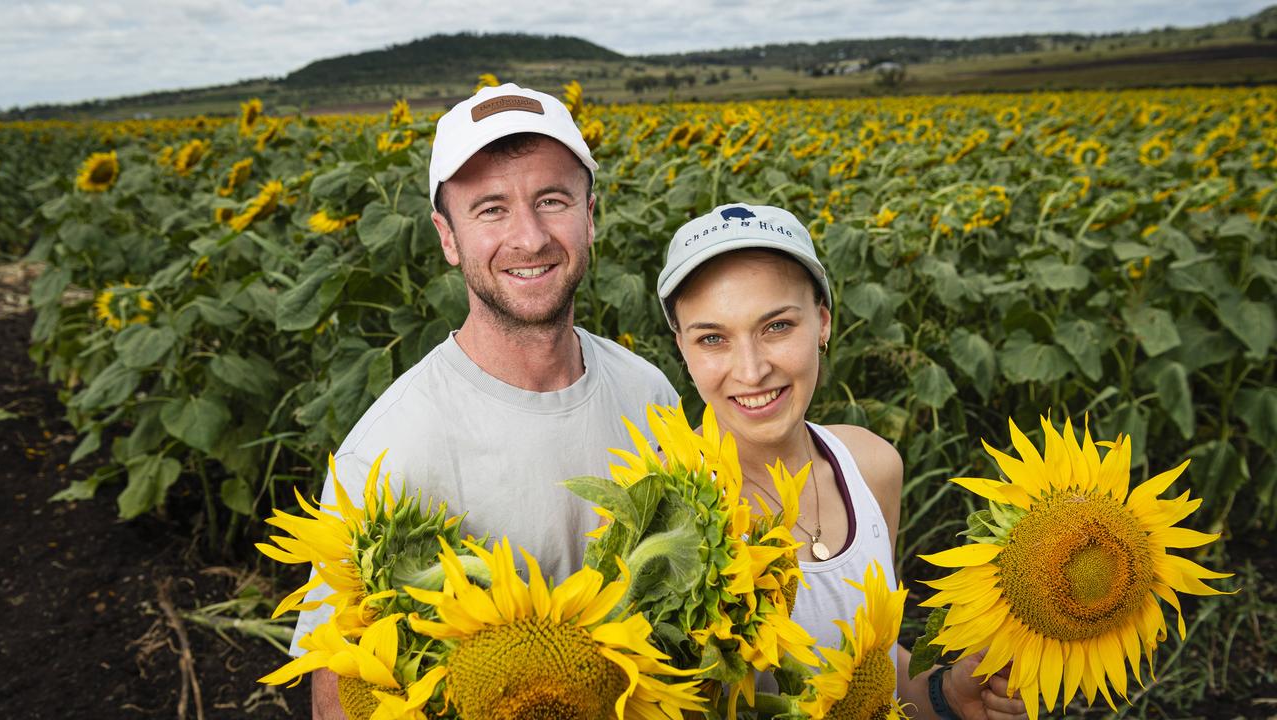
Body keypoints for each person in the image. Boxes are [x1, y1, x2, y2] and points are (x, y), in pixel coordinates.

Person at [292, 83, 678, 719]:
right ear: (447, 237)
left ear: (590, 215)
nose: (529, 238)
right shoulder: (387, 452)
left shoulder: (648, 393)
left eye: (552, 200)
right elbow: (341, 693)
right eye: (490, 210)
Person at [657, 203, 1028, 720]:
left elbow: (870, 668)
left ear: (823, 323)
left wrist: (945, 695)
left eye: (777, 326)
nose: (751, 369)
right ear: (682, 346)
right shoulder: (659, 506)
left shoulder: (870, 465)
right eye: (713, 338)